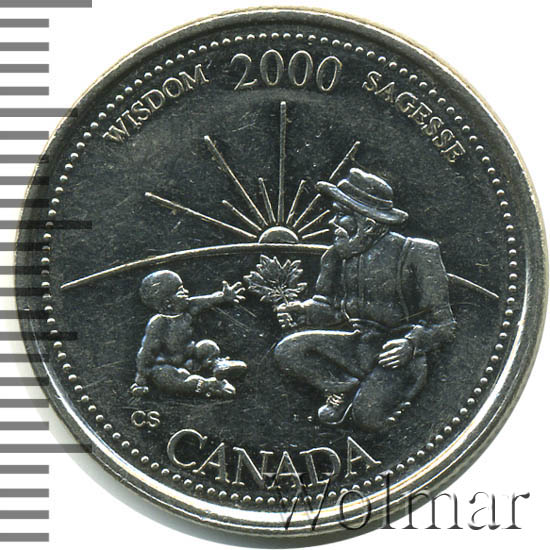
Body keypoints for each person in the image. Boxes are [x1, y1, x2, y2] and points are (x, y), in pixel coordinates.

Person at [274, 168, 456, 430]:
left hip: (395, 355)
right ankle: (344, 387)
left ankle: (379, 397)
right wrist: (302, 310)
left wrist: (411, 345)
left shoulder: (418, 253)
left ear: (368, 224)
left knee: (367, 419)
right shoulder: (335, 256)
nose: (332, 223)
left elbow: (444, 325)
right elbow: (329, 310)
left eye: (341, 215)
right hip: (357, 345)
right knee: (288, 350)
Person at [130, 270, 247, 398]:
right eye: (180, 291)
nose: (186, 292)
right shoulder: (158, 323)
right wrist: (141, 378)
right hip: (168, 364)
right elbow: (147, 351)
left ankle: (218, 365)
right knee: (165, 377)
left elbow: (207, 300)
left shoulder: (188, 308)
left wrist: (223, 297)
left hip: (189, 355)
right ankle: (209, 385)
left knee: (207, 346)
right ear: (168, 302)